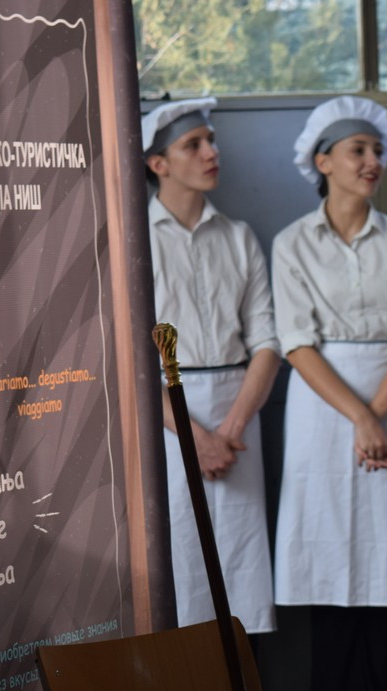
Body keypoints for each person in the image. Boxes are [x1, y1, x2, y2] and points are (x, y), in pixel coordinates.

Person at [271, 96, 387, 691]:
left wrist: (379, 412)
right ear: (323, 163)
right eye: (357, 150)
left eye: (376, 150)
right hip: (323, 408)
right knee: (328, 550)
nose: (372, 161)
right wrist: (361, 415)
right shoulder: (292, 243)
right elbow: (296, 342)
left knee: (386, 554)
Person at [142, 98, 280, 636]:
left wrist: (232, 429)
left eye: (211, 141)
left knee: (241, 565)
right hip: (168, 421)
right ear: (159, 164)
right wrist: (197, 439)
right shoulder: (136, 241)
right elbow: (132, 361)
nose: (210, 152)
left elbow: (266, 342)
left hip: (238, 413)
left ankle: (246, 689)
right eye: (193, 145)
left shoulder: (239, 236)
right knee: (182, 560)